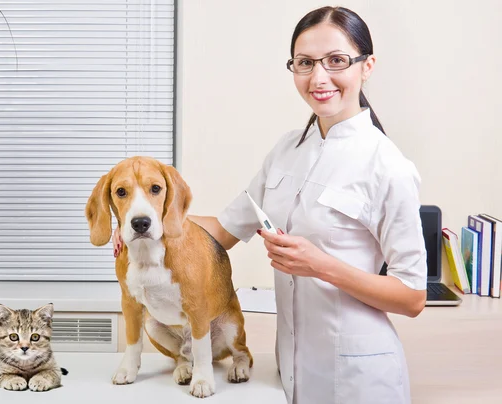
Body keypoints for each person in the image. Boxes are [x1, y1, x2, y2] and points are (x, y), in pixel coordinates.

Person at [113, 6, 426, 404]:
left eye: (336, 61)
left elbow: (413, 296)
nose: (319, 77)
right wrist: (145, 227)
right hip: (289, 368)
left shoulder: (388, 167)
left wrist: (319, 265)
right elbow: (223, 231)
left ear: (366, 66)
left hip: (358, 375)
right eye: (305, 63)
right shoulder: (286, 151)